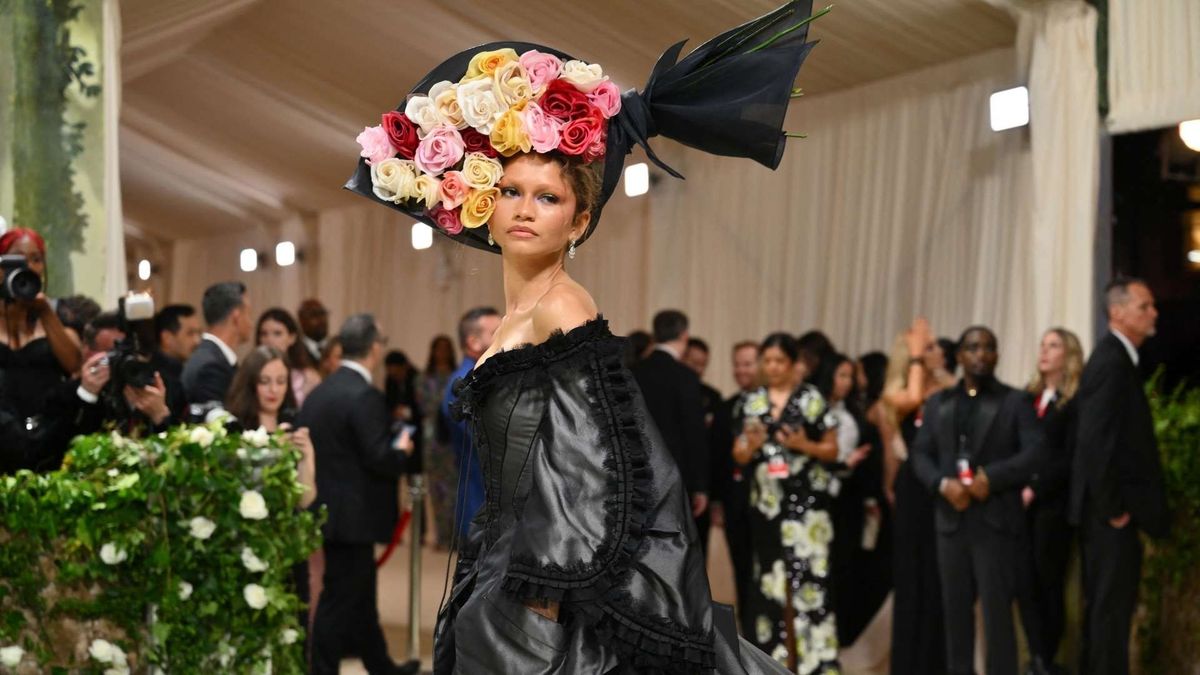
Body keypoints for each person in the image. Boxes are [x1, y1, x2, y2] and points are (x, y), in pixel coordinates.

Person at [345, 7, 820, 671]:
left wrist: (540, 612)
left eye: (547, 197)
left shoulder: (563, 306)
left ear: (579, 221)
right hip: (502, 570)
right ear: (485, 203)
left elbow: (600, 466)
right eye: (511, 191)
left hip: (540, 598)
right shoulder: (516, 315)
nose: (524, 209)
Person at [910, 326, 1043, 675]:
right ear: (959, 356)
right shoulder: (939, 403)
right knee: (955, 614)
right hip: (951, 521)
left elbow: (1035, 453)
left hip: (996, 522)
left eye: (988, 347)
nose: (980, 354)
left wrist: (992, 478)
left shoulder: (1015, 401)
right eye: (972, 347)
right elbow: (920, 454)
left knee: (998, 616)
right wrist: (942, 484)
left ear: (997, 355)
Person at [298, 314, 414, 675]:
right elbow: (378, 456)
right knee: (339, 600)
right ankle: (321, 670)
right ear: (375, 348)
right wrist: (402, 450)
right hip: (354, 515)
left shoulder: (321, 391)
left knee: (360, 597)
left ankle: (382, 667)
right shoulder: (364, 395)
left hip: (328, 508)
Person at [1070, 278, 1168, 675]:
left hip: (1109, 513)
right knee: (1109, 613)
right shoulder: (1111, 361)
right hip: (1108, 516)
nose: (1153, 313)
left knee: (1108, 613)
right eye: (1144, 306)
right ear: (1117, 313)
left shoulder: (1118, 359)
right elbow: (1095, 441)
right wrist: (1113, 510)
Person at [732, 333, 840, 673]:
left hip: (808, 507)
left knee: (811, 582)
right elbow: (738, 454)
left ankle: (815, 663)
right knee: (769, 582)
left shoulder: (811, 399)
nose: (773, 367)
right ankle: (769, 662)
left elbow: (832, 449)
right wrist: (751, 445)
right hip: (767, 506)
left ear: (794, 364)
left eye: (780, 360)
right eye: (768, 360)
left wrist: (804, 445)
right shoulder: (751, 402)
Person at [883, 317, 956, 675]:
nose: (937, 351)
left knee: (940, 577)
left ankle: (936, 664)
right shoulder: (896, 393)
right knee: (912, 577)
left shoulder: (948, 388)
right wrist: (916, 355)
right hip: (913, 489)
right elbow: (911, 399)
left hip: (943, 488)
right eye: (930, 346)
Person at [1016, 328, 1082, 675]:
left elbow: (1067, 458)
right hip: (1020, 504)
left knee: (1048, 582)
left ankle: (1048, 657)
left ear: (1067, 355)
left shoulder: (1073, 404)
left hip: (1053, 505)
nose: (1044, 352)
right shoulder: (1026, 399)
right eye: (1042, 345)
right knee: (1024, 581)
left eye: (1053, 346)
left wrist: (1035, 488)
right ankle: (1036, 656)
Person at [815, 352, 887, 647]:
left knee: (844, 565)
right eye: (841, 375)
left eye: (850, 377)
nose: (846, 383)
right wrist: (842, 463)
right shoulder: (812, 410)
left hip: (847, 500)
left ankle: (839, 633)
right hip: (818, 497)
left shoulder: (855, 413)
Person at [632, 310, 711, 533]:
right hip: (676, 477)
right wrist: (700, 486)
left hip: (637, 474)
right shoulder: (686, 377)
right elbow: (694, 434)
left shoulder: (633, 372)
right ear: (684, 335)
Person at [0, 228, 82, 424]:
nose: (28, 266)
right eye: (18, 259)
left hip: (46, 429)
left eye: (36, 259)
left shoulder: (56, 315)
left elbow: (73, 365)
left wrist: (45, 312)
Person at [440, 307, 500, 542]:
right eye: (496, 332)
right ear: (473, 342)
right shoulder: (465, 382)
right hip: (479, 503)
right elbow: (488, 441)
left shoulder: (481, 377)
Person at [711, 340, 761, 610]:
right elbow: (717, 458)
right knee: (741, 567)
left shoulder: (776, 406)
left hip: (766, 503)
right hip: (734, 502)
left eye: (748, 364)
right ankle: (748, 625)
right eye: (737, 364)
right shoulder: (726, 407)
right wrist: (717, 501)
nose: (741, 370)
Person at [182, 282, 252, 409]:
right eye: (248, 313)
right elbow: (216, 419)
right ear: (236, 317)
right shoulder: (212, 366)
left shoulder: (206, 356)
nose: (251, 323)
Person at [685, 336, 724, 552]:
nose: (698, 369)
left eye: (702, 365)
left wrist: (715, 497)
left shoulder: (712, 397)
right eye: (693, 363)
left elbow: (717, 451)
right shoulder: (669, 393)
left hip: (703, 489)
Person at [419, 334, 457, 547]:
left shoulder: (458, 375)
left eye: (446, 348)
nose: (442, 353)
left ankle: (455, 536)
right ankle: (441, 536)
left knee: (454, 489)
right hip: (432, 440)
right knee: (436, 490)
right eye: (438, 348)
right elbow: (425, 405)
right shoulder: (425, 378)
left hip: (454, 438)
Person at [256, 307, 322, 405]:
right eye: (264, 334)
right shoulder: (251, 372)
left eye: (277, 333)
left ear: (292, 338)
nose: (269, 340)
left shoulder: (308, 377)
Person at [152, 303, 201, 421]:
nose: (197, 341)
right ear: (167, 338)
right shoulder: (157, 377)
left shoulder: (179, 371)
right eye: (190, 333)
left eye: (199, 333)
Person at [297, 299, 329, 365]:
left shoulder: (337, 348)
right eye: (314, 315)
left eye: (322, 314)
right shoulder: (295, 351)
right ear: (301, 320)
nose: (321, 320)